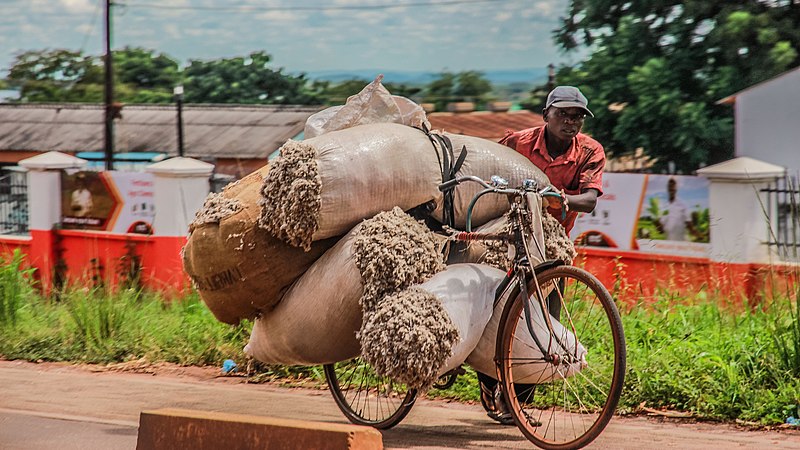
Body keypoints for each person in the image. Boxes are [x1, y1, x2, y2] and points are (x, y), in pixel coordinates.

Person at [478, 85, 607, 425]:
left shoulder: (589, 152)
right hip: (510, 239)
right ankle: (491, 381)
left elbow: (591, 199)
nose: (570, 122)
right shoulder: (517, 142)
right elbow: (487, 169)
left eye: (577, 116)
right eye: (563, 114)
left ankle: (517, 401)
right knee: (497, 315)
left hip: (552, 248)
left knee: (545, 326)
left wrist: (561, 199)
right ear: (546, 115)